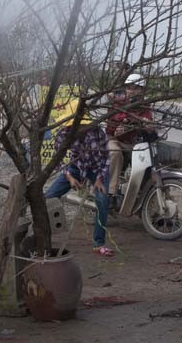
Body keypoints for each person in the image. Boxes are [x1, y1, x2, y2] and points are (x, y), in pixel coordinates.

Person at [44, 110, 114, 257]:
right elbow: (58, 161)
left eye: (83, 125)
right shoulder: (63, 134)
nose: (80, 128)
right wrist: (69, 177)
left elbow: (107, 157)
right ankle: (43, 237)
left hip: (97, 168)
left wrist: (99, 179)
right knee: (49, 197)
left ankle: (98, 243)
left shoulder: (97, 132)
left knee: (102, 199)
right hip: (76, 167)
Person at [106, 73, 155, 198]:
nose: (132, 91)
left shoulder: (144, 105)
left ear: (142, 90)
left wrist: (149, 126)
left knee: (147, 157)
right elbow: (114, 120)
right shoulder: (119, 102)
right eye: (129, 87)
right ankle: (110, 192)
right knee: (115, 152)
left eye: (136, 88)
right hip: (115, 140)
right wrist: (130, 120)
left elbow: (148, 120)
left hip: (132, 143)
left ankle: (140, 192)